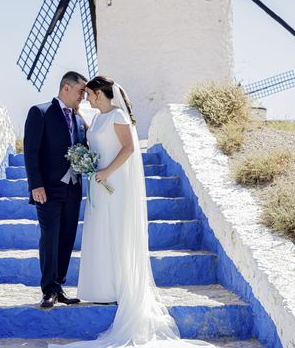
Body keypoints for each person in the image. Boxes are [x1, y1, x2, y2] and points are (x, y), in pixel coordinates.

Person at [50, 76, 217, 348]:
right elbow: (98, 135)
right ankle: (101, 287)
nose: (86, 99)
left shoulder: (117, 115)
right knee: (101, 230)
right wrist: (81, 119)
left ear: (99, 93)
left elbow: (128, 148)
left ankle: (119, 286)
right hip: (100, 183)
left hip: (114, 181)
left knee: (116, 230)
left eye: (89, 95)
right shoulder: (100, 117)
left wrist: (106, 172)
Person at [23, 71, 88, 309]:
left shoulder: (80, 121)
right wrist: (35, 185)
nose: (84, 96)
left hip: (73, 189)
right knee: (49, 238)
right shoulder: (40, 112)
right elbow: (30, 151)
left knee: (67, 238)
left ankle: (59, 286)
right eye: (81, 91)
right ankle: (48, 290)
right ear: (66, 88)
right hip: (47, 190)